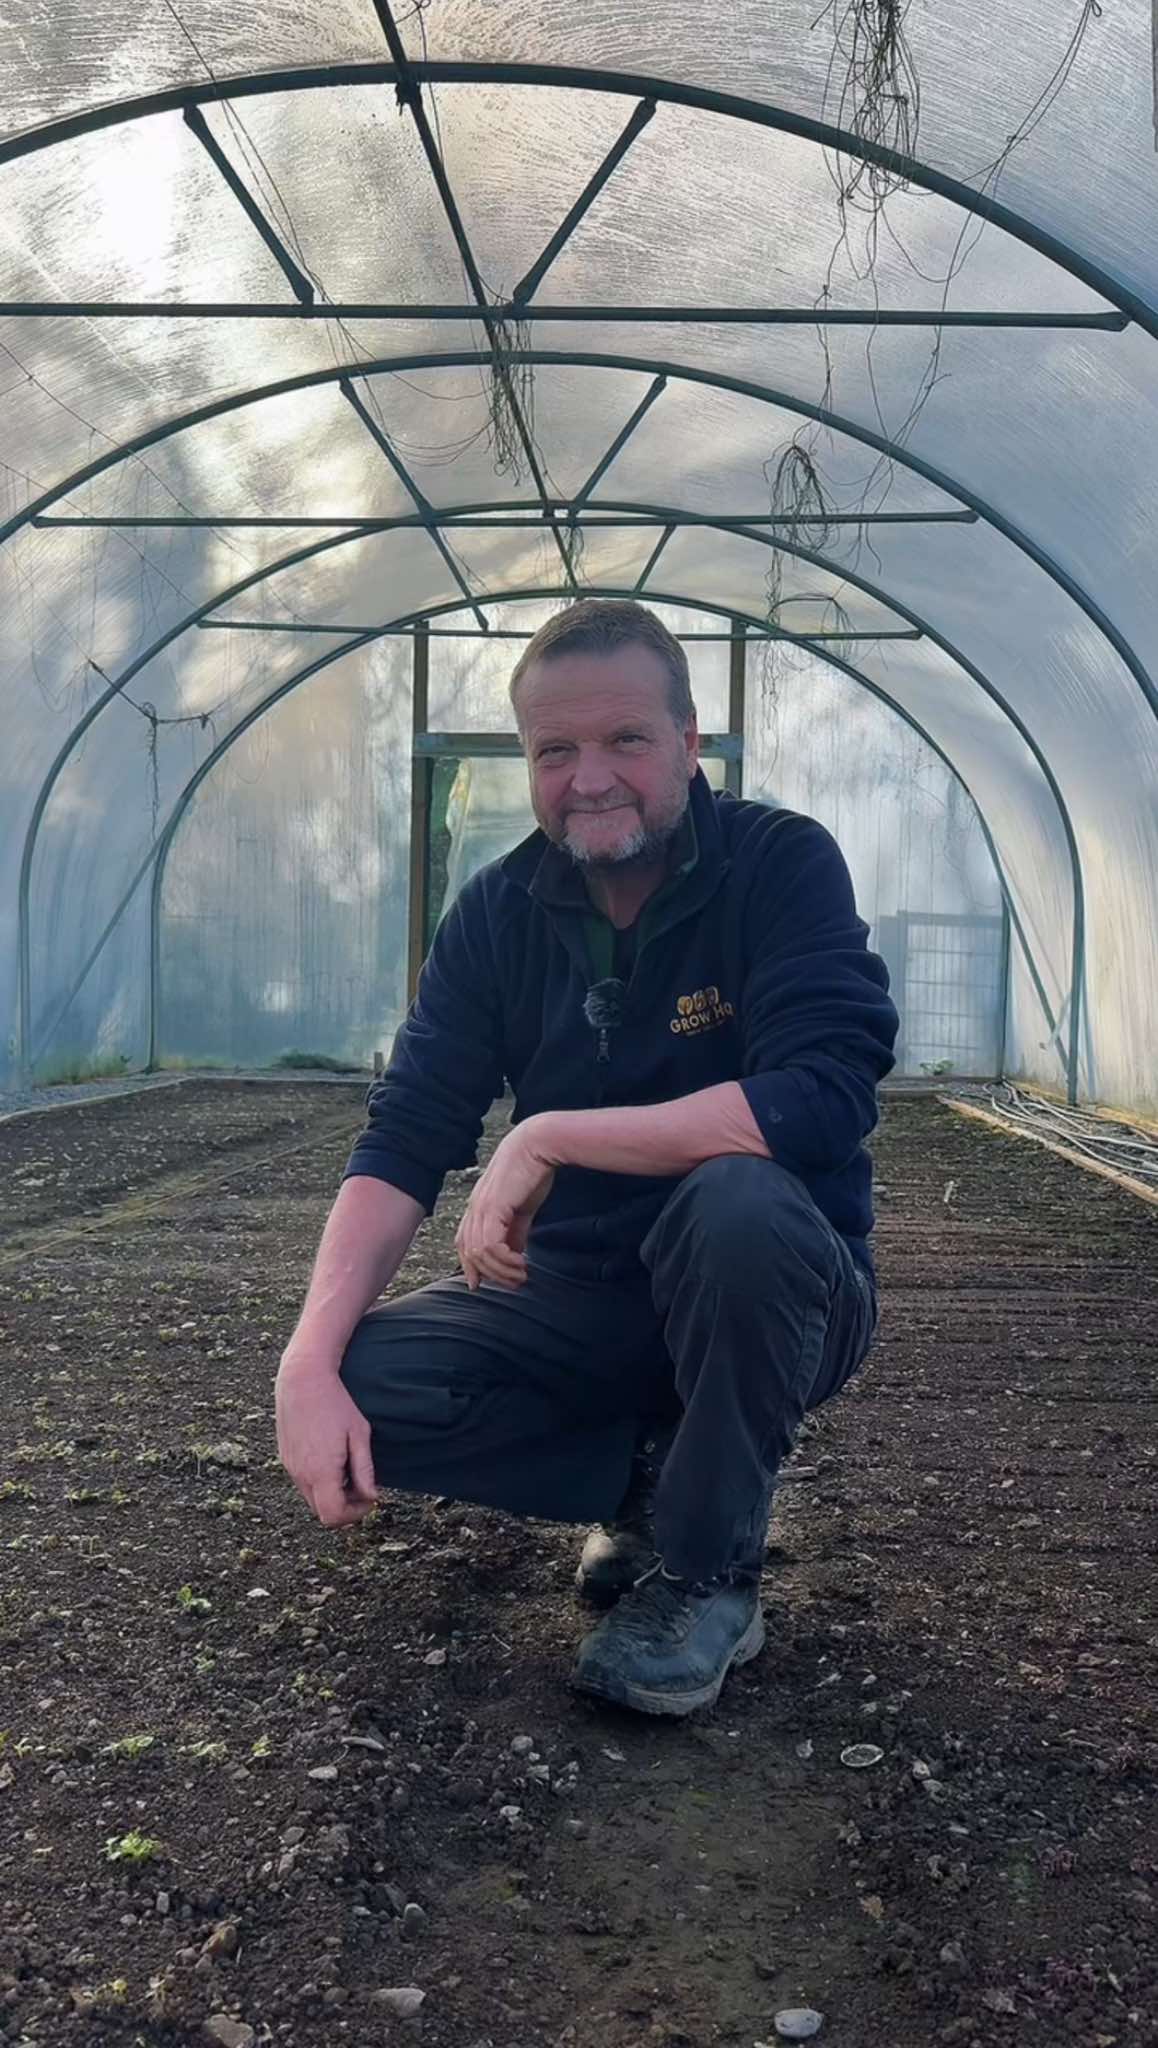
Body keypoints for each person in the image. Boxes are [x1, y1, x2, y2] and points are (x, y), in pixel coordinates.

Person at [275, 599, 898, 1718]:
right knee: (363, 1377)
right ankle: (650, 1483)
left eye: (625, 740)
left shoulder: (780, 866)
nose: (590, 776)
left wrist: (550, 1133)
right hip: (579, 1297)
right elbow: (408, 1130)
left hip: (778, 1289)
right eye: (554, 750)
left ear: (691, 741)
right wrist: (304, 1364)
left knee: (739, 1204)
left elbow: (819, 1099)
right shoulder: (499, 913)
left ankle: (710, 1576)